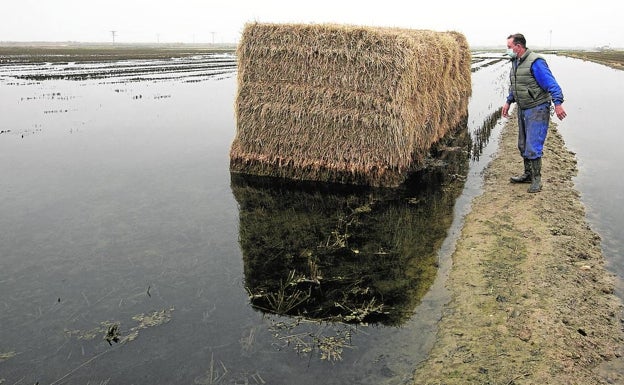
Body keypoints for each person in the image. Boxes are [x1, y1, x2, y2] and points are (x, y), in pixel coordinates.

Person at [502, 33, 567, 193]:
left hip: (537, 108)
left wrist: (557, 103)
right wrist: (509, 101)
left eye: (509, 47)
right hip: (523, 108)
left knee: (533, 144)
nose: (508, 50)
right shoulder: (516, 62)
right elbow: (517, 85)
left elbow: (552, 84)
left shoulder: (536, 62)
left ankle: (537, 180)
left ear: (519, 46)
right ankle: (528, 174)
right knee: (523, 144)